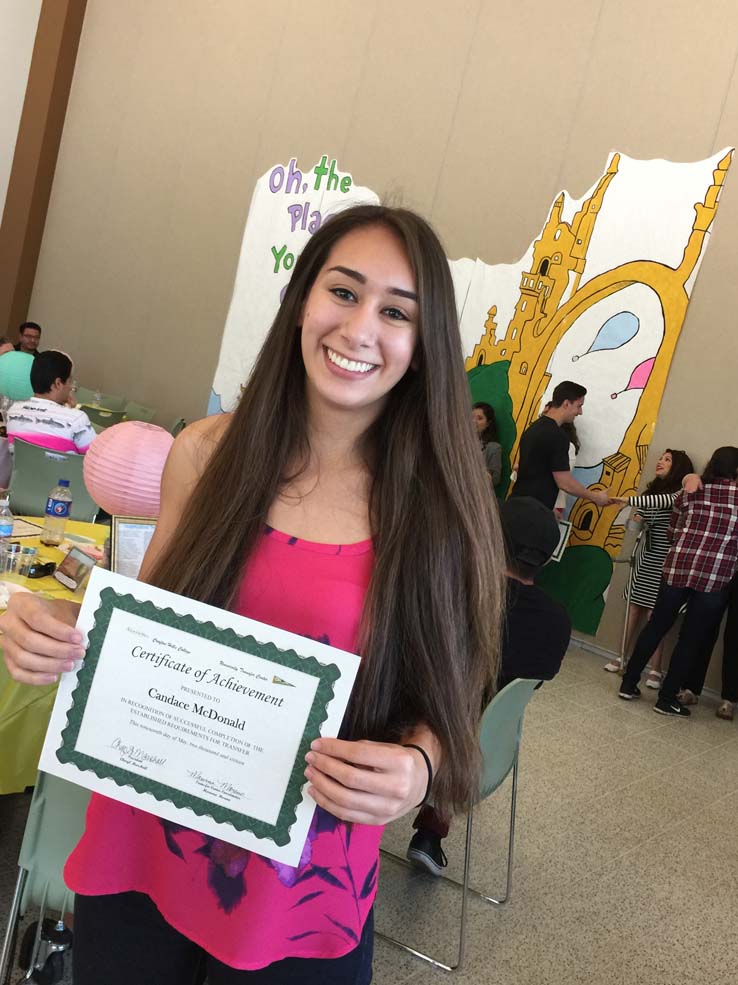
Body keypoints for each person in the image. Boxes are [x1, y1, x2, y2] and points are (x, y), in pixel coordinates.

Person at [1, 205, 506, 984]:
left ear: (424, 342)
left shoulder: (439, 507)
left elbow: (448, 697)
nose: (361, 327)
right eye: (343, 291)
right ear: (303, 300)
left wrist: (419, 766)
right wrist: (63, 626)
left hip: (304, 882)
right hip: (143, 845)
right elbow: (150, 621)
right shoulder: (207, 454)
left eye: (396, 310)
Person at [407, 495, 571, 876]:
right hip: (484, 759)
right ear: (547, 558)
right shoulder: (557, 622)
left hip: (413, 748)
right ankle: (431, 834)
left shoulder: (455, 594)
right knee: (469, 712)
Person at [619, 447, 738, 717]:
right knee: (690, 639)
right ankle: (666, 699)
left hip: (677, 569)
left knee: (656, 626)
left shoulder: (689, 491)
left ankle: (628, 683)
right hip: (713, 578)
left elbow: (673, 531)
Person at [603, 449, 694, 683]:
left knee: (657, 612)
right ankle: (622, 656)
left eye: (667, 460)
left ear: (678, 467)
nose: (660, 462)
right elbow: (637, 522)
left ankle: (655, 667)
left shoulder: (680, 493)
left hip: (667, 559)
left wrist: (623, 499)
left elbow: (659, 502)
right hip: (645, 555)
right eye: (661, 458)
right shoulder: (650, 491)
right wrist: (635, 522)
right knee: (635, 607)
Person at [510, 381, 610, 511]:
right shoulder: (558, 436)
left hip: (516, 502)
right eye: (579, 406)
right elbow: (564, 482)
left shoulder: (533, 428)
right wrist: (595, 497)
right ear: (566, 404)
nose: (580, 412)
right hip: (533, 510)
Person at [6, 350, 96, 454]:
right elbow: (94, 457)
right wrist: (73, 411)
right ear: (58, 383)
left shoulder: (13, 412)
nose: (71, 387)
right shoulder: (76, 419)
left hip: (20, 470)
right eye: (70, 381)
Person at [472, 400, 502, 484]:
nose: (473, 421)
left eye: (479, 418)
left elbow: (495, 480)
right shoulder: (460, 442)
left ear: (488, 423)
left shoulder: (493, 447)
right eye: (471, 417)